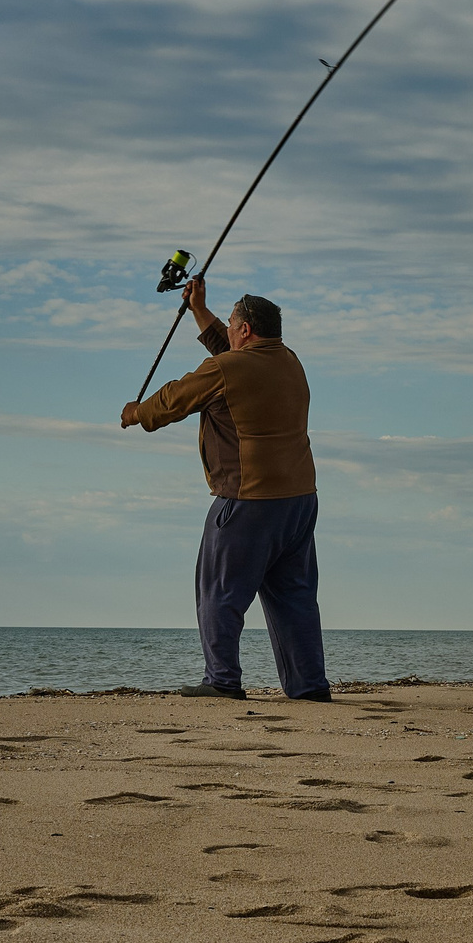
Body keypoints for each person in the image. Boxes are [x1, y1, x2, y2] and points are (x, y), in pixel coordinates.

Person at [120, 277, 330, 702]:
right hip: (299, 500)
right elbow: (231, 357)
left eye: (232, 324)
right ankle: (308, 688)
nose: (229, 330)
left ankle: (221, 681)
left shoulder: (227, 369)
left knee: (218, 591)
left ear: (245, 330)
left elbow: (173, 400)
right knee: (295, 598)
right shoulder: (288, 361)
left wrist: (137, 413)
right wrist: (201, 310)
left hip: (246, 500)